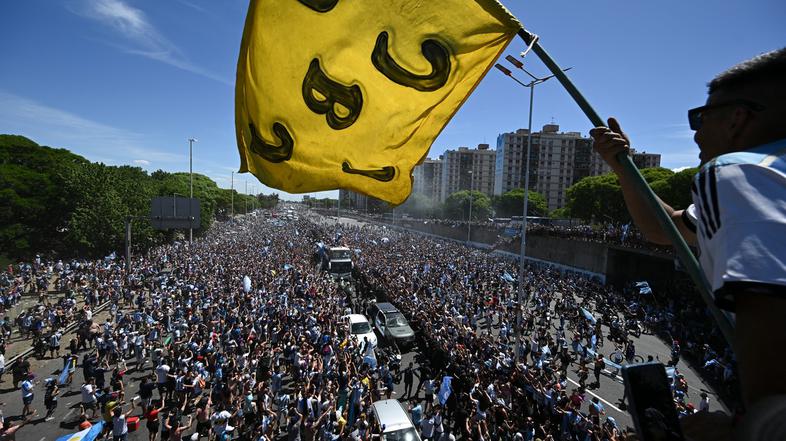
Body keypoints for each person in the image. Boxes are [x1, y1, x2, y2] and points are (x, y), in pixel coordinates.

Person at [590, 47, 786, 439]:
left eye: (700, 116)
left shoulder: (741, 173)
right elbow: (665, 229)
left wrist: (744, 430)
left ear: (738, 117)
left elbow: (772, 323)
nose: (695, 131)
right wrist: (623, 167)